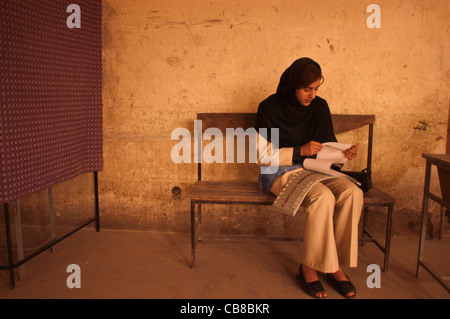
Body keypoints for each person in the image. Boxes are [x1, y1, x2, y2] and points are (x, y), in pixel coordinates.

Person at [255, 57, 363, 299]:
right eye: (307, 89)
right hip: (281, 171)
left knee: (352, 192)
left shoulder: (319, 106)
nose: (312, 95)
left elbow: (326, 146)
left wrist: (342, 154)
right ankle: (308, 269)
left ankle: (336, 266)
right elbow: (262, 156)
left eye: (316, 88)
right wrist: (298, 151)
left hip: (317, 170)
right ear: (292, 85)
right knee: (322, 197)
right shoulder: (270, 108)